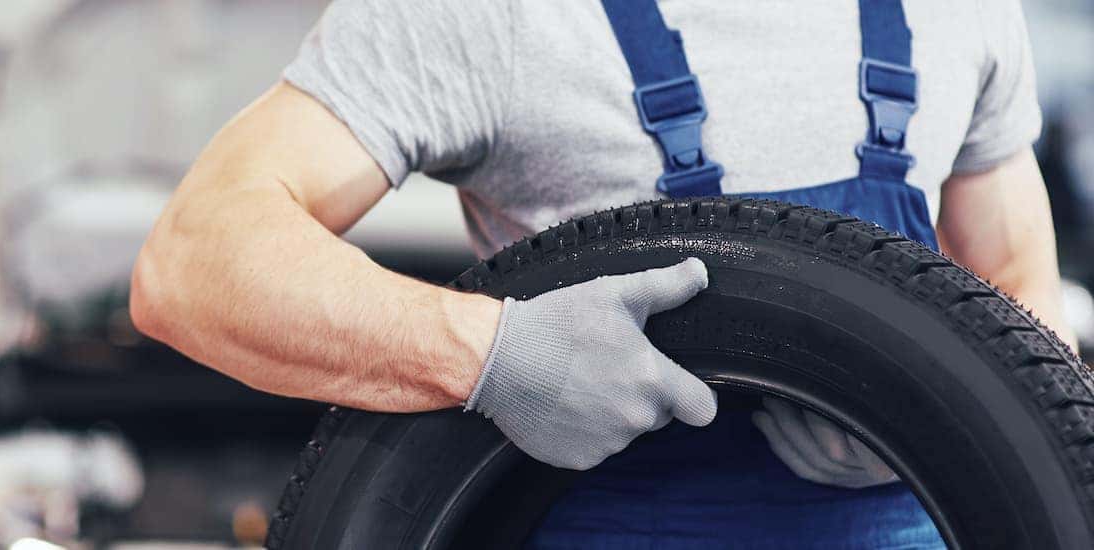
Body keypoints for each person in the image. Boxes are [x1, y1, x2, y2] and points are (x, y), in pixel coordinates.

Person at [130, 0, 1073, 546]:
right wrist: (495, 354)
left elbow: (1022, 293)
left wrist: (913, 417)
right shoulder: (487, 15)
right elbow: (196, 258)